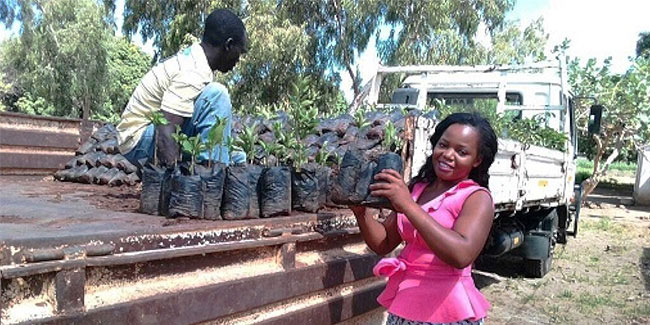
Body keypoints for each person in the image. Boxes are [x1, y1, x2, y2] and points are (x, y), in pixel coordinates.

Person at [350, 112, 498, 325]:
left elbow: (461, 254)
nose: (448, 155)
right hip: (406, 305)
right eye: (443, 145)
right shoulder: (417, 190)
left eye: (461, 152)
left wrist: (408, 206)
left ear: (478, 160)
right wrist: (361, 212)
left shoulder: (476, 198)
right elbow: (384, 243)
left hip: (448, 312)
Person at [116, 8, 247, 168]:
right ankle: (211, 180)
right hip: (138, 140)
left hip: (145, 136)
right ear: (229, 45)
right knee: (217, 96)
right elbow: (166, 129)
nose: (238, 60)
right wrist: (176, 179)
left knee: (237, 157)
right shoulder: (193, 70)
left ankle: (211, 172)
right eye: (239, 52)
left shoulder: (197, 62)